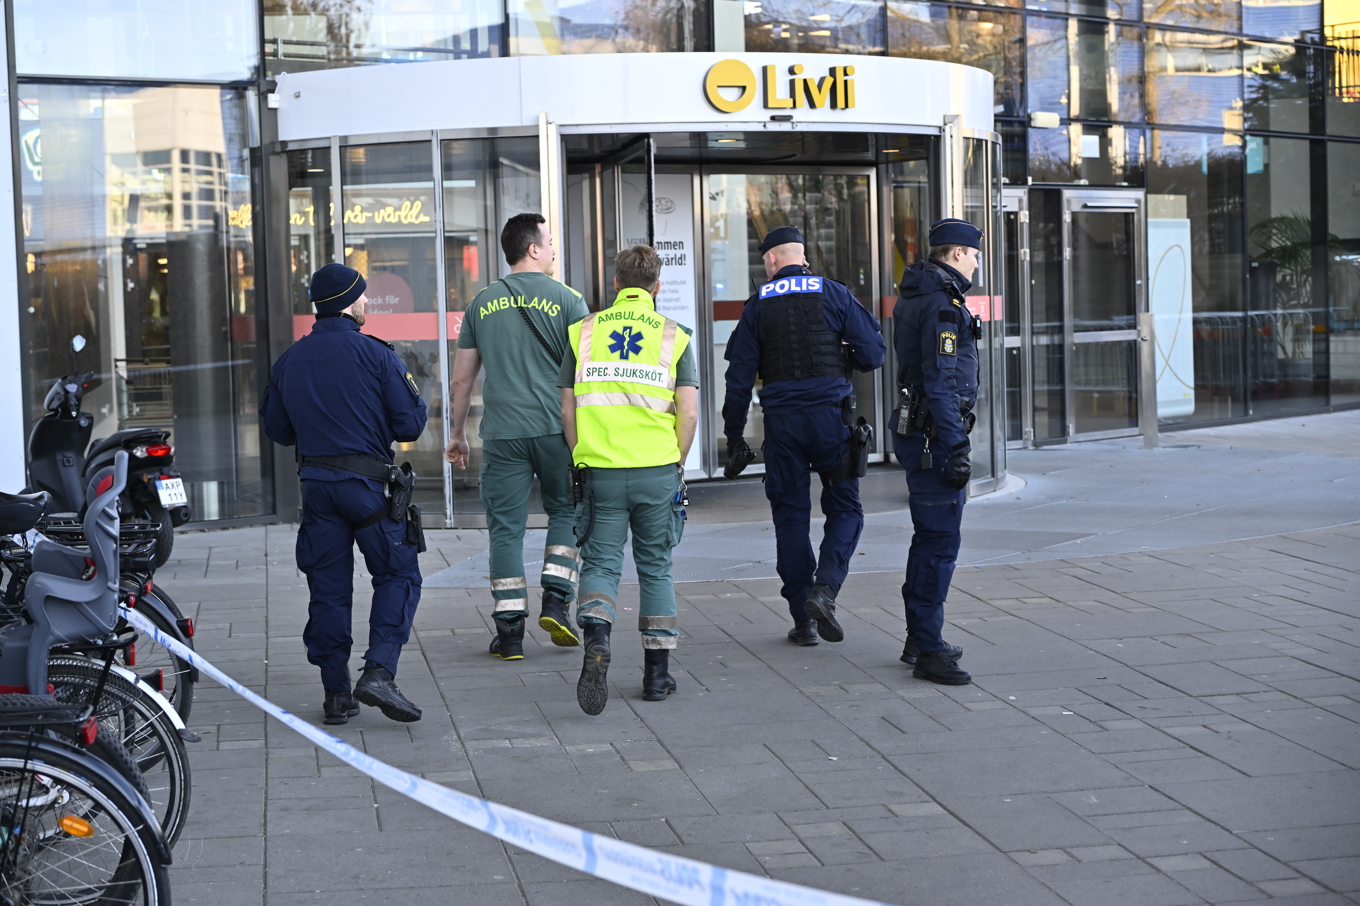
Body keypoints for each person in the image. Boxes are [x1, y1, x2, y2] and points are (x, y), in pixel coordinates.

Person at [259, 263, 429, 724]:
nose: (368, 303)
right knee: (398, 575)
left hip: (317, 490)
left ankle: (336, 693)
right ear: (351, 302)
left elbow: (277, 429)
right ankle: (378, 672)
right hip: (369, 490)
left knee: (328, 590)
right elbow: (410, 424)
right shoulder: (377, 355)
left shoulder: (291, 359)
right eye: (364, 296)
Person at [722, 226, 886, 647]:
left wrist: (734, 436)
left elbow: (738, 380)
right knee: (846, 509)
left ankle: (804, 621)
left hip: (784, 427)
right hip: (832, 422)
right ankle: (825, 591)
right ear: (803, 257)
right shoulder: (834, 293)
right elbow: (873, 355)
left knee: (790, 519)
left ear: (771, 260)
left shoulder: (758, 304)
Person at [557, 245, 700, 716]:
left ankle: (597, 637)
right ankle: (657, 678)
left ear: (615, 283)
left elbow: (568, 408)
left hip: (600, 469)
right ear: (656, 286)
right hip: (656, 469)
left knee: (599, 563)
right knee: (656, 566)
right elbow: (690, 412)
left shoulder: (584, 332)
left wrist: (582, 456)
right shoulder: (675, 337)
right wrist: (676, 462)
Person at [445, 213, 590, 661]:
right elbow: (585, 377)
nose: (552, 251)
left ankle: (509, 633)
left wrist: (456, 435)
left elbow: (461, 382)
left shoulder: (481, 303)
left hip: (504, 434)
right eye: (549, 243)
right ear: (532, 249)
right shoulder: (569, 300)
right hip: (557, 431)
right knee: (565, 512)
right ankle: (556, 602)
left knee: (505, 529)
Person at [891, 218, 982, 686]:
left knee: (928, 539)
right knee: (939, 543)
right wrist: (957, 445)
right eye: (972, 254)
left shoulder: (916, 294)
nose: (976, 262)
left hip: (920, 432)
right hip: (934, 438)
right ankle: (928, 649)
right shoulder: (943, 305)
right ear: (955, 255)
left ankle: (919, 637)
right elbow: (941, 381)